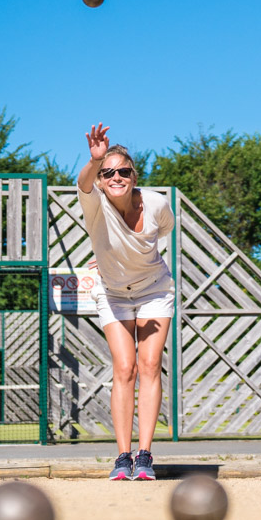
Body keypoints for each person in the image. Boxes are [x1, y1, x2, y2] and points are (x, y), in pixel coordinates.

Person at [78, 123, 175, 481]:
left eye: (123, 171)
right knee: (125, 367)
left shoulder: (156, 203)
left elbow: (161, 232)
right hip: (114, 292)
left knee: (150, 365)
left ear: (134, 176)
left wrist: (115, 253)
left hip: (154, 289)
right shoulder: (94, 202)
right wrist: (95, 160)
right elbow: (84, 182)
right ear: (102, 181)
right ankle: (122, 457)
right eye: (109, 173)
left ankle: (145, 455)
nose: (116, 176)